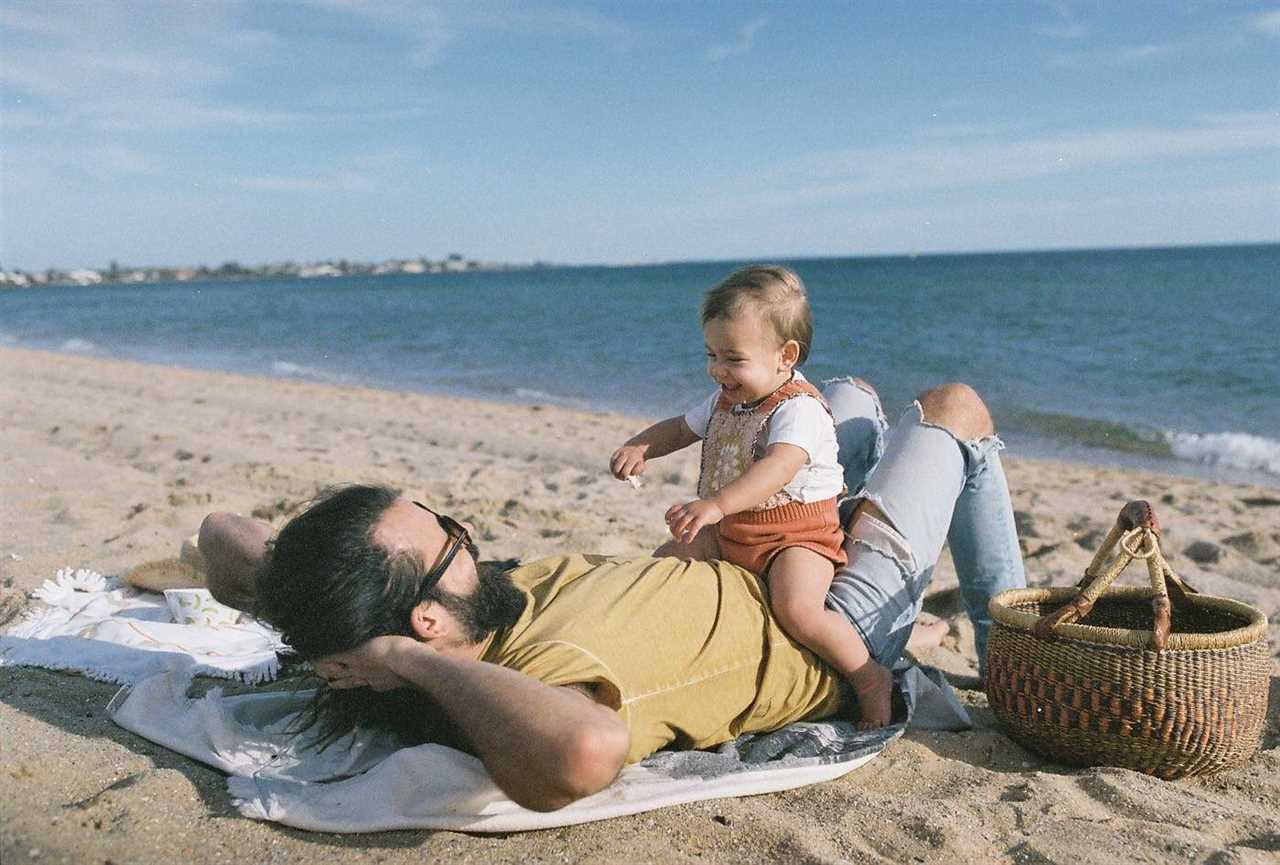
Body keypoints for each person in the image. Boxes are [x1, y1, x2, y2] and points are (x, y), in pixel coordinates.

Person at [199, 379, 1024, 812]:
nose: (470, 534)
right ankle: (1013, 652)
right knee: (953, 408)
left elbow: (219, 533)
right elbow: (580, 753)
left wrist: (301, 606)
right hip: (827, 625)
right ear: (422, 622)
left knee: (832, 396)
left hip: (765, 545)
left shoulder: (480, 602)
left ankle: (870, 475)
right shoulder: (531, 676)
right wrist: (399, 660)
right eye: (449, 535)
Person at [609, 265, 891, 727]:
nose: (718, 370)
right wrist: (642, 445)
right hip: (734, 530)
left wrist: (716, 504)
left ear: (786, 356)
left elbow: (777, 468)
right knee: (666, 563)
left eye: (733, 359)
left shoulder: (799, 409)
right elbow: (681, 428)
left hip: (797, 537)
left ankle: (868, 678)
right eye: (711, 354)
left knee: (798, 611)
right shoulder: (726, 398)